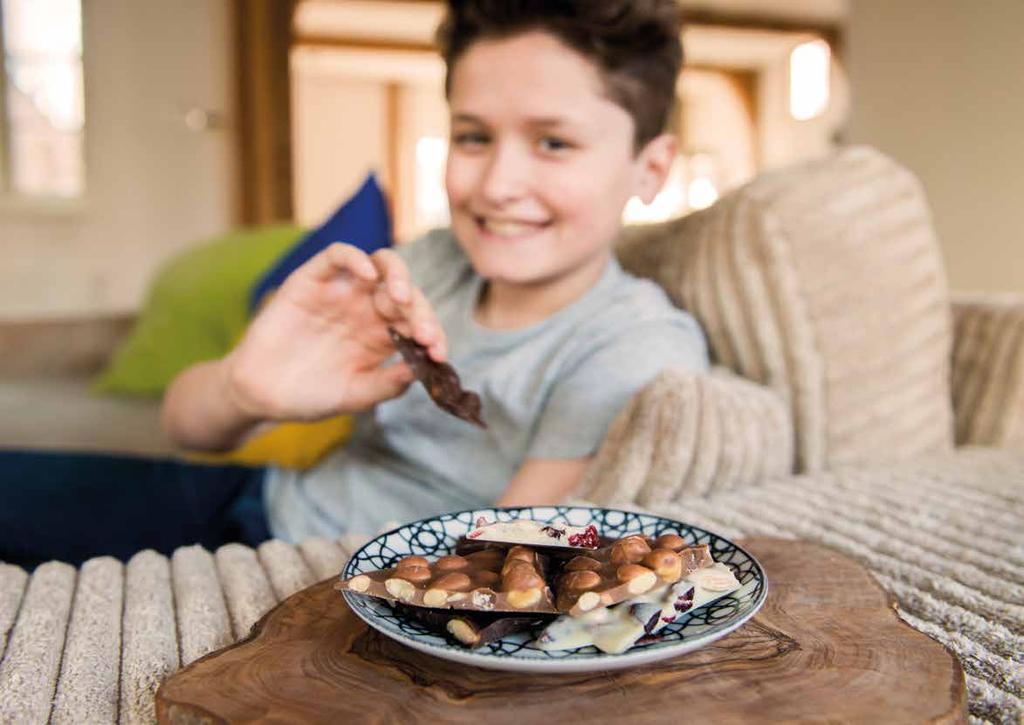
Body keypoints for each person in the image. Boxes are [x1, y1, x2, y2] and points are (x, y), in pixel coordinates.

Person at [0, 0, 708, 569]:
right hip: (257, 497)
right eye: (472, 136)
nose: (497, 184)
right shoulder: (425, 265)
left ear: (649, 168)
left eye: (554, 142)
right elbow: (184, 423)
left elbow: (492, 566)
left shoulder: (630, 346)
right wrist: (243, 390)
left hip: (329, 566)